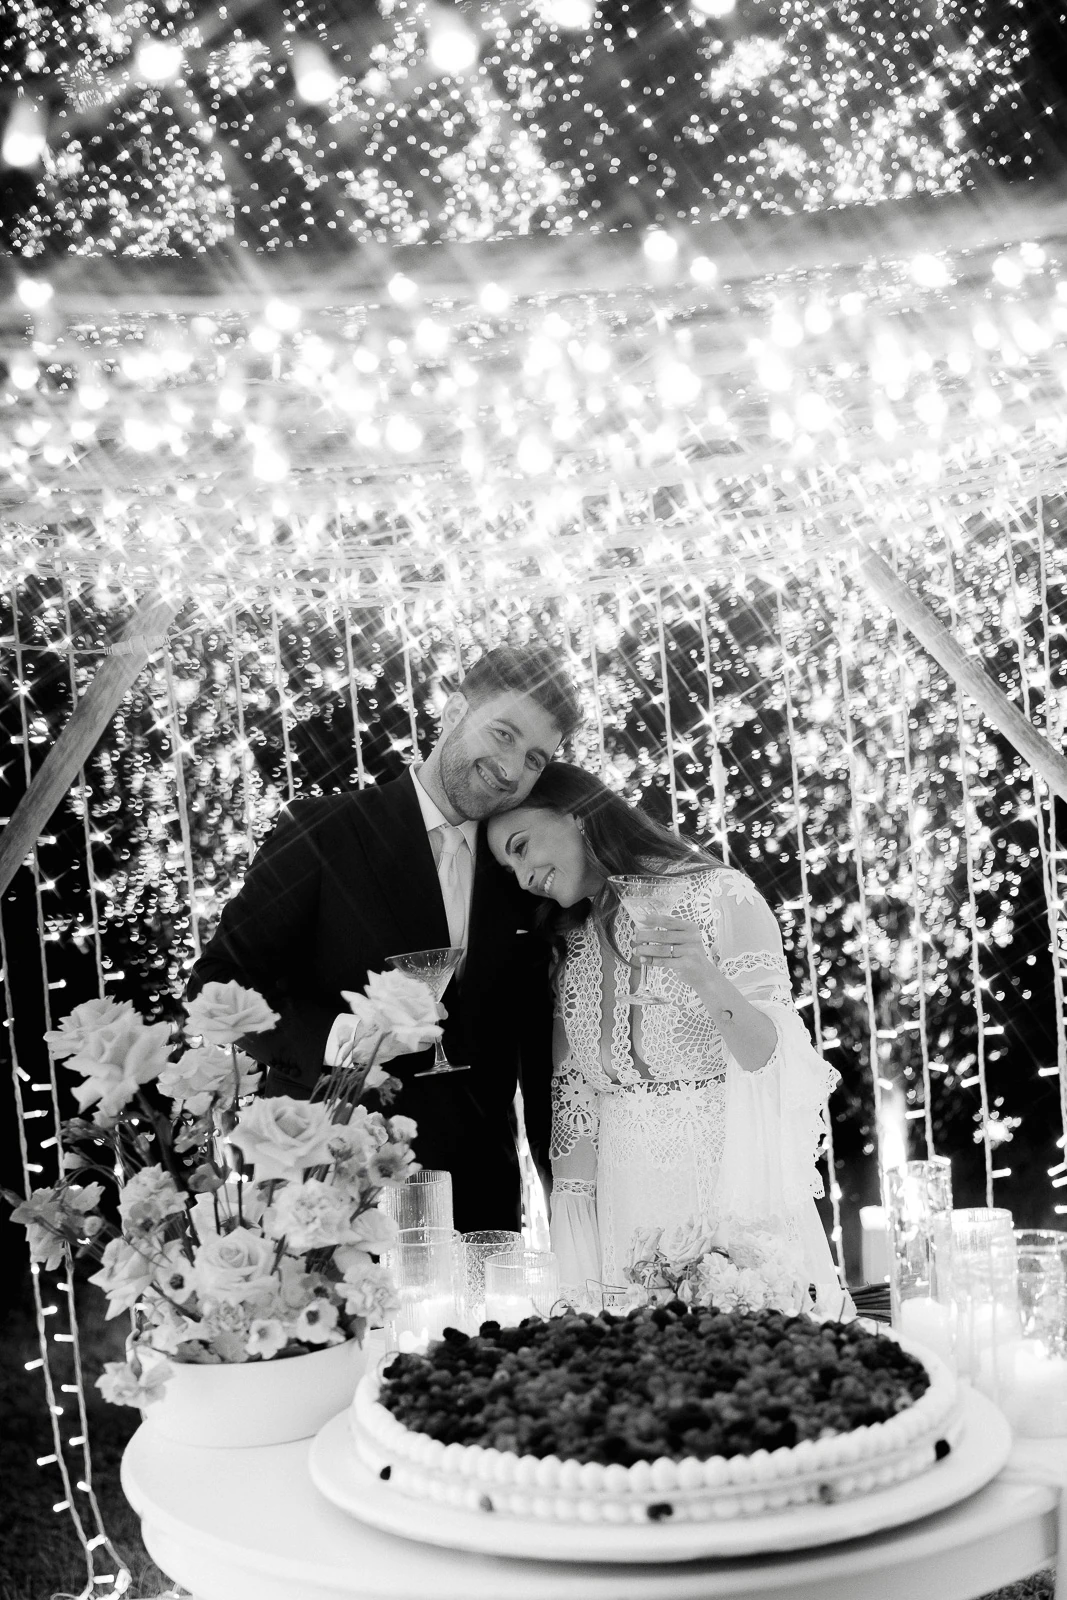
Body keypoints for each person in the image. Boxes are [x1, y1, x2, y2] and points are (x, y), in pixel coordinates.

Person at [188, 644, 583, 1233]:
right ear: (453, 712)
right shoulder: (324, 832)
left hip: (480, 1201)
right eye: (502, 734)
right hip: (331, 1191)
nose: (511, 768)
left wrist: (564, 1191)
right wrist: (340, 1038)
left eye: (533, 759)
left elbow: (532, 1042)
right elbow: (217, 984)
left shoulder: (521, 865)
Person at [486, 761, 843, 1303]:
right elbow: (574, 1100)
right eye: (508, 868)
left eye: (520, 846)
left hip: (728, 1205)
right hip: (627, 1224)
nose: (523, 875)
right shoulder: (572, 944)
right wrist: (578, 1249)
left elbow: (772, 1059)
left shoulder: (723, 896)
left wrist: (701, 973)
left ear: (577, 815)